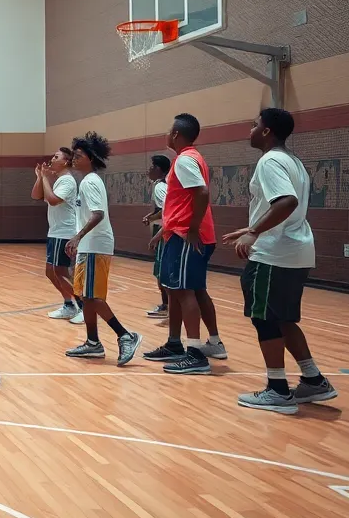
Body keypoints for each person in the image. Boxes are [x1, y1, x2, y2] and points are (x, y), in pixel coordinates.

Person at [223, 108, 336, 413]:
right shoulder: (293, 161)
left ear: (267, 131)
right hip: (295, 252)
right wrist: (250, 228)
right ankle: (314, 381)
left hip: (275, 254)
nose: (250, 129)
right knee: (283, 318)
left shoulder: (270, 160)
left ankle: (278, 390)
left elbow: (287, 201)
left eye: (254, 125)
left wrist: (254, 232)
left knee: (265, 319)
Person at [144, 113, 227, 373]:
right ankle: (179, 344)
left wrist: (191, 228)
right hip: (179, 233)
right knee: (183, 290)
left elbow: (201, 192)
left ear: (177, 134)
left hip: (187, 235)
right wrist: (163, 231)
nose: (167, 134)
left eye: (169, 130)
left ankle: (194, 354)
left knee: (183, 291)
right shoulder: (191, 158)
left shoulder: (184, 160)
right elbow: (180, 203)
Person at [63, 132, 143, 366]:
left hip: (96, 245)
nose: (74, 159)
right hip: (89, 246)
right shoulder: (86, 181)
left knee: (94, 297)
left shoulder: (90, 182)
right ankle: (93, 343)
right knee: (85, 296)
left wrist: (78, 237)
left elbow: (98, 214)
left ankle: (126, 335)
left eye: (78, 155)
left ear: (91, 158)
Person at [34, 147, 83, 324]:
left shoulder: (67, 181)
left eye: (56, 157)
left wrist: (46, 178)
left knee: (61, 271)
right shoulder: (59, 180)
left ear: (66, 162)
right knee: (51, 272)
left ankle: (84, 306)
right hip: (55, 231)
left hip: (65, 232)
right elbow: (36, 195)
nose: (52, 159)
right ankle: (69, 305)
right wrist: (40, 177)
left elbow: (53, 201)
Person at [143, 154, 171, 318]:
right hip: (165, 230)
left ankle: (167, 306)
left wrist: (157, 235)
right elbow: (162, 209)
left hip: (165, 232)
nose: (149, 169)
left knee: (161, 271)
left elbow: (167, 211)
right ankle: (167, 305)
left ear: (159, 169)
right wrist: (151, 216)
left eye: (151, 166)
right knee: (161, 271)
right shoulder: (163, 185)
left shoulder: (160, 187)